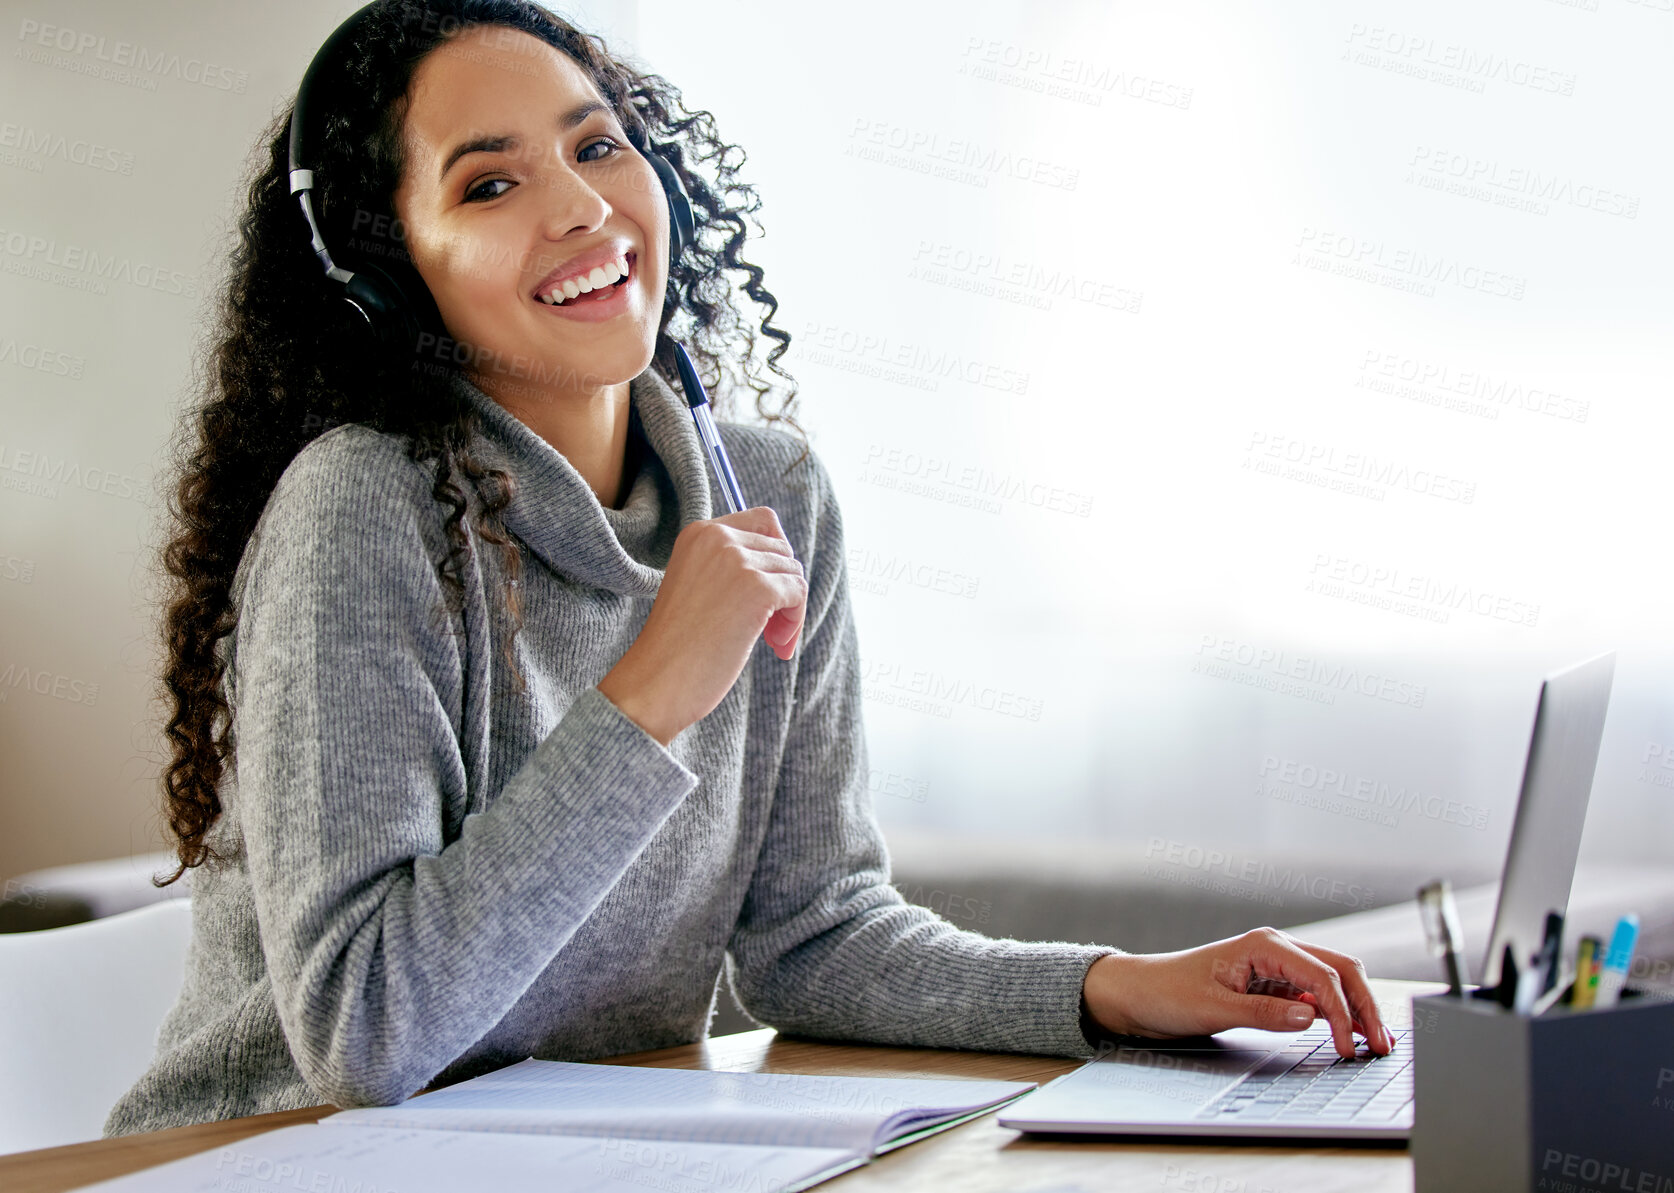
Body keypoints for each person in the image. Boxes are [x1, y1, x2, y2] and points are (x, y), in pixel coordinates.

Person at [105, 0, 1389, 1138]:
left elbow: (814, 932)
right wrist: (657, 685)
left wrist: (1116, 985)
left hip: (570, 1158)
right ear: (391, 273)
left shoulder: (772, 495)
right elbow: (365, 1032)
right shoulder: (363, 512)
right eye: (488, 185)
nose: (582, 206)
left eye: (598, 144)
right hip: (261, 1161)